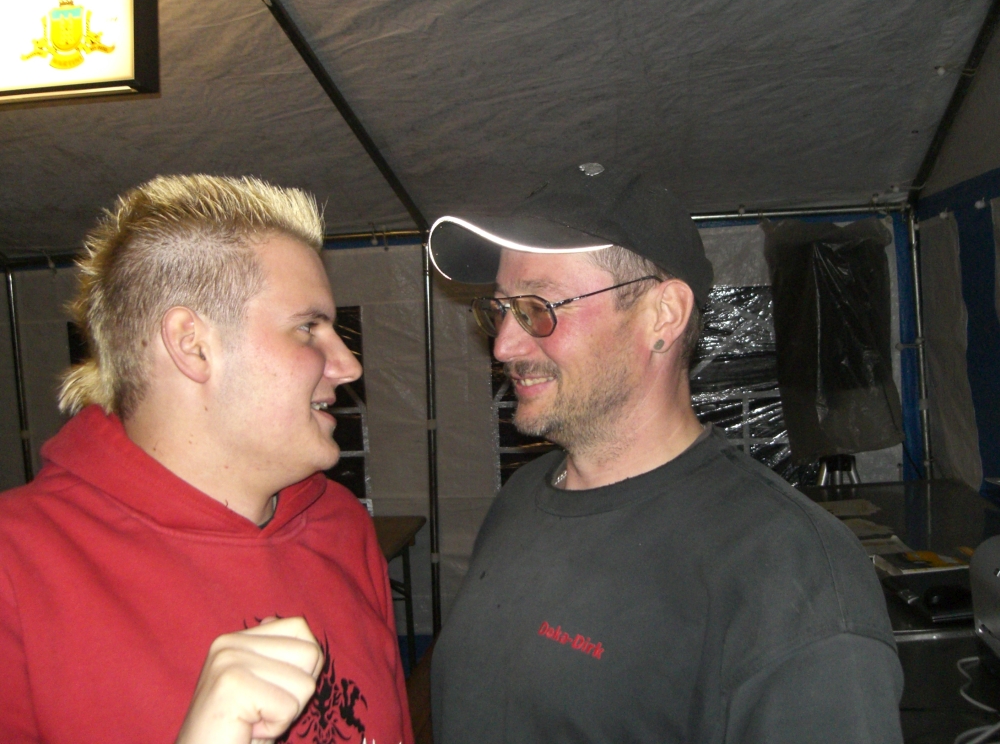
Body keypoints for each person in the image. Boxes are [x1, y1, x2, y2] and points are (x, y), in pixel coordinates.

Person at [427, 162, 904, 743]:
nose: (504, 344)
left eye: (538, 308)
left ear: (664, 315)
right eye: (502, 308)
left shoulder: (790, 571)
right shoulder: (521, 499)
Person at [0, 175, 413, 744]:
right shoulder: (16, 567)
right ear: (192, 344)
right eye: (308, 328)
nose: (348, 366)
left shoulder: (341, 525)